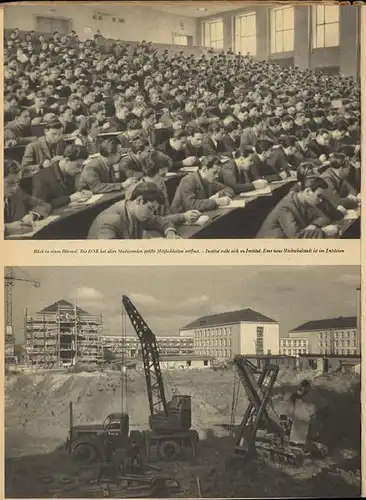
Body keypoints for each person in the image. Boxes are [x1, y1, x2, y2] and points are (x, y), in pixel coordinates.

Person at [257, 163, 342, 238]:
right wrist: (324, 232)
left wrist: (313, 226)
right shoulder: (286, 206)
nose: (320, 200)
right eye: (318, 196)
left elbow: (323, 217)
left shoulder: (304, 200)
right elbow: (296, 237)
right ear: (307, 191)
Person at [87, 182, 180, 239]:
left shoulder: (136, 210)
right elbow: (111, 256)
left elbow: (160, 221)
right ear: (139, 200)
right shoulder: (109, 222)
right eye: (150, 208)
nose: (151, 214)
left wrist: (170, 233)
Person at [32, 144, 92, 209]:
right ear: (66, 160)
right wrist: (69, 199)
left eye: (81, 166)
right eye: (78, 165)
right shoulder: (41, 177)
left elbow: (75, 191)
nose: (80, 170)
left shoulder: (70, 171)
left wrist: (82, 192)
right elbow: (39, 206)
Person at [4, 159, 51, 237]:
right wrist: (6, 228)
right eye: (10, 183)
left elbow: (44, 204)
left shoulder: (18, 192)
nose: (15, 187)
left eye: (17, 182)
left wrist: (32, 215)